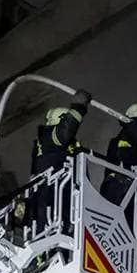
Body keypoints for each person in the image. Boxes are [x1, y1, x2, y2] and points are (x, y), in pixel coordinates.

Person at [25, 92, 90, 232]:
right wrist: (79, 106)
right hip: (50, 201)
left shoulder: (55, 144)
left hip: (60, 201)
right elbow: (65, 132)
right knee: (46, 241)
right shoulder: (49, 135)